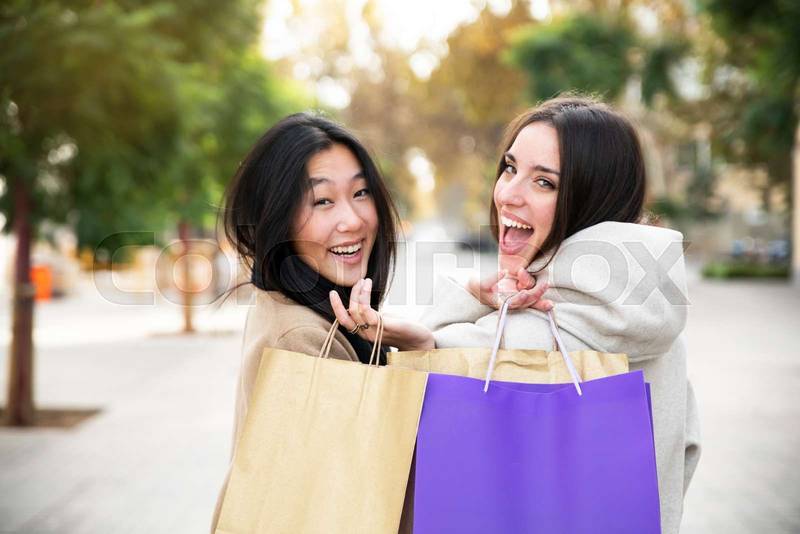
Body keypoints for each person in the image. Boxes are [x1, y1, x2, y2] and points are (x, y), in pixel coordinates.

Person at [336, 96, 701, 534]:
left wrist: (464, 303)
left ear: (591, 197)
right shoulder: (654, 316)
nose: (508, 194)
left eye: (544, 183)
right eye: (510, 168)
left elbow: (431, 355)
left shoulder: (533, 327)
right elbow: (687, 448)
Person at [210, 113, 428, 533]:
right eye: (322, 201)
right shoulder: (305, 338)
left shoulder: (289, 307)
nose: (352, 219)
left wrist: (416, 340)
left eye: (361, 192)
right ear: (279, 218)